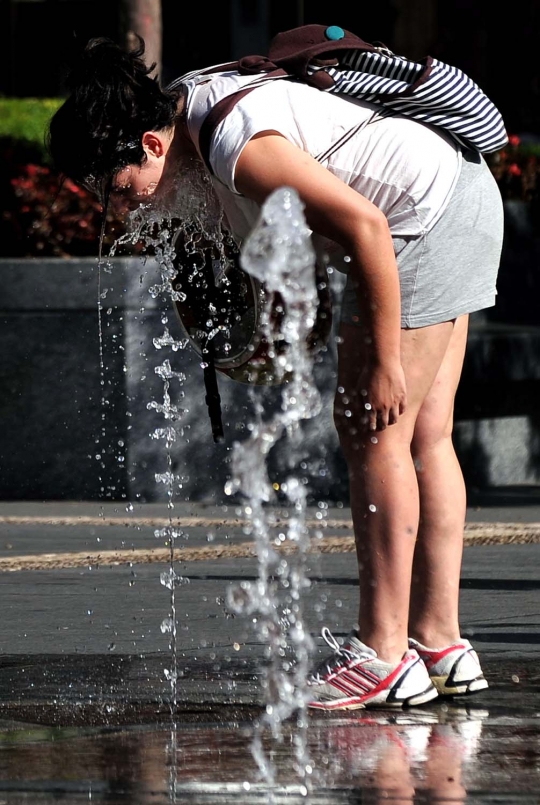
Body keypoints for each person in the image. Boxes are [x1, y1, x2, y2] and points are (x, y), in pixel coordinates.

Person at [48, 30, 504, 710]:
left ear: (149, 145)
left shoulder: (234, 146)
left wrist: (382, 360)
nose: (120, 209)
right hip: (459, 191)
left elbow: (367, 227)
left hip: (419, 222)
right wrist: (274, 332)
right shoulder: (193, 113)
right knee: (425, 438)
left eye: (118, 189)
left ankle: (383, 654)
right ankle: (440, 642)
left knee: (374, 433)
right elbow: (284, 244)